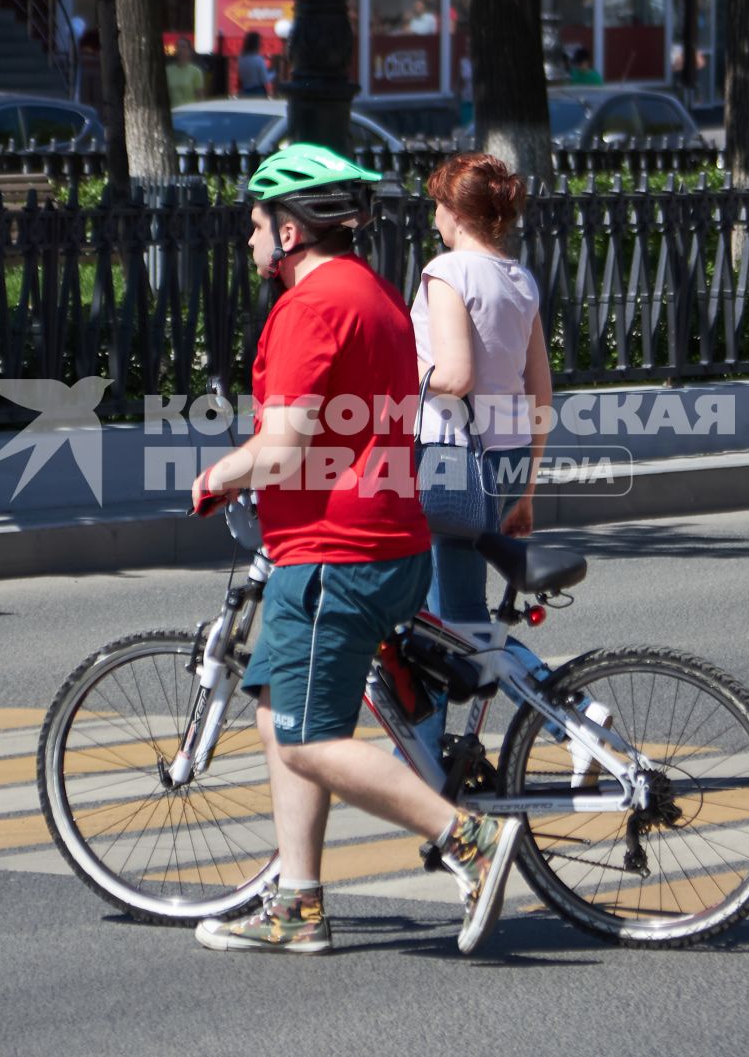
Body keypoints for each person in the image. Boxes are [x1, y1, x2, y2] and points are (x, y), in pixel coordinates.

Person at [188, 144, 523, 957]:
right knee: (281, 714)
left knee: (306, 736)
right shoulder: (371, 293)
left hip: (333, 550)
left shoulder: (310, 308)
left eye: (258, 223)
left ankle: (465, 836)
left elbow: (281, 447)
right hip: (387, 537)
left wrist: (217, 475)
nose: (250, 239)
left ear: (293, 229)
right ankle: (299, 904)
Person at [405, 153, 554, 760]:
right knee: (455, 617)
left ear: (457, 212)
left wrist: (396, 364)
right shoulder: (519, 279)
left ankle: (421, 755)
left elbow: (455, 375)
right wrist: (527, 490)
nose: (434, 216)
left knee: (440, 619)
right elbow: (540, 393)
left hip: (450, 460)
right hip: (508, 457)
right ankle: (566, 707)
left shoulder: (447, 271)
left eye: (438, 204)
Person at [165, 41, 205, 108]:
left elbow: (200, 96)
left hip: (189, 112)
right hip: (172, 112)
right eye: (178, 47)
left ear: (189, 51)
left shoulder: (195, 71)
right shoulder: (168, 70)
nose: (181, 50)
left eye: (184, 47)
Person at [236, 31, 271, 98]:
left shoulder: (241, 58)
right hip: (258, 91)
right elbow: (264, 79)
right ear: (257, 44)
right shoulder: (258, 59)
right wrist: (273, 74)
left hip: (244, 90)